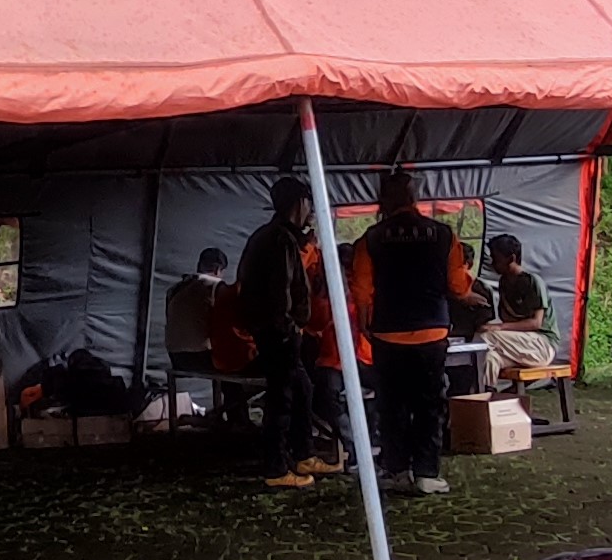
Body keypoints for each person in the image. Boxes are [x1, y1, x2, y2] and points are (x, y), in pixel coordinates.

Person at [347, 170, 476, 494]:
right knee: (430, 404)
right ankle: (427, 474)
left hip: (388, 334)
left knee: (391, 406)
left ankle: (396, 471)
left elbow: (361, 289)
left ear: (383, 200)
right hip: (431, 333)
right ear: (414, 197)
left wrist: (365, 324)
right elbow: (458, 286)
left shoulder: (371, 239)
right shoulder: (444, 234)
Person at [236, 179, 323, 487]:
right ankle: (276, 468)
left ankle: (303, 454)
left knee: (302, 389)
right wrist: (288, 327)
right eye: (308, 204)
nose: (311, 211)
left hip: (271, 328)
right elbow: (279, 290)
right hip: (279, 332)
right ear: (298, 203)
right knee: (281, 397)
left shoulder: (268, 236)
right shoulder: (280, 240)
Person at [483, 234, 558, 379]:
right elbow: (507, 319)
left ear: (511, 259)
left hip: (541, 345)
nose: (492, 263)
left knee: (487, 336)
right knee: (489, 358)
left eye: (496, 259)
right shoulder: (504, 282)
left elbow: (536, 323)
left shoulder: (532, 282)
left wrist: (499, 328)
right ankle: (486, 396)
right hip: (520, 344)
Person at [164, 247, 230, 373]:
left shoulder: (174, 289)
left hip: (176, 359)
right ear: (217, 270)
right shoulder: (216, 286)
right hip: (204, 358)